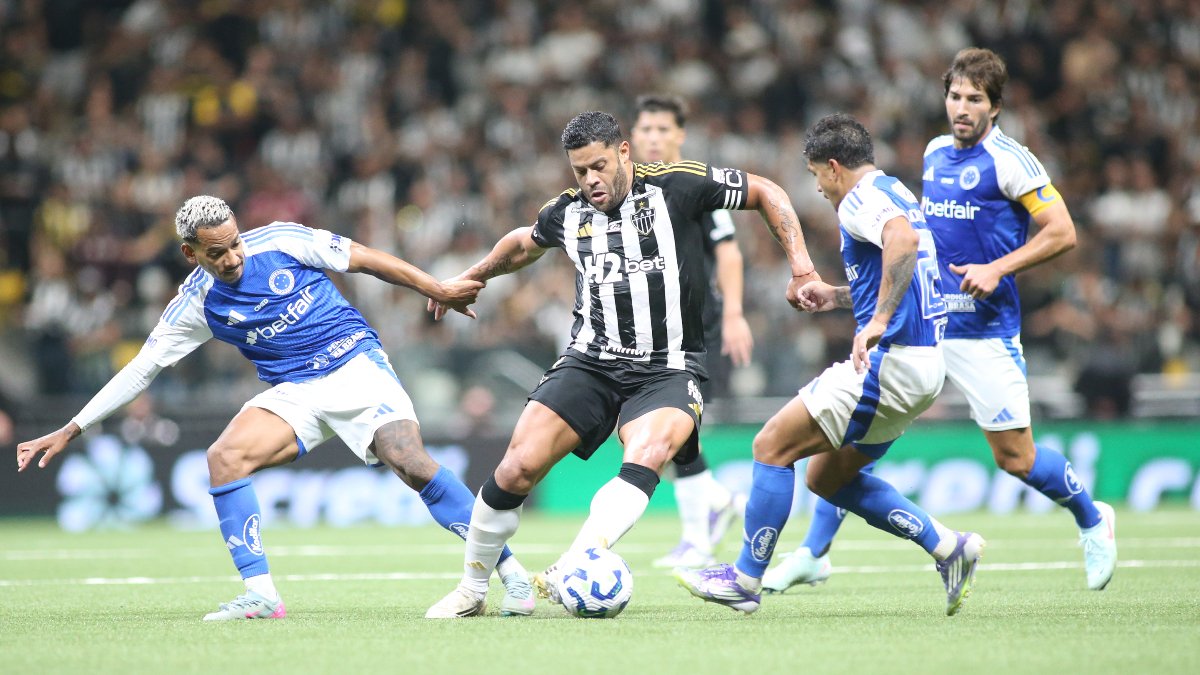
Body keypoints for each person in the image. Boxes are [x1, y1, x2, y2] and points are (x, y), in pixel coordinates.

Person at [16, 195, 536, 620]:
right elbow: (141, 370)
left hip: (352, 361)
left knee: (412, 462)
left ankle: (511, 574)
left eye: (235, 244)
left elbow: (367, 260)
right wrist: (73, 427)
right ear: (189, 252)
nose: (233, 258)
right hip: (295, 390)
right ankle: (261, 595)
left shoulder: (283, 239)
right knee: (224, 458)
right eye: (216, 253)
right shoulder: (196, 303)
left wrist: (437, 287)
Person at [424, 111, 821, 618]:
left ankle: (575, 563)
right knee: (516, 467)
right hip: (590, 361)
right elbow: (526, 242)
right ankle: (472, 589)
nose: (590, 180)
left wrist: (802, 266)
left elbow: (766, 191)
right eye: (579, 171)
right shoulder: (567, 212)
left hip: (669, 366)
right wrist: (473, 277)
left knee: (650, 449)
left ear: (624, 154)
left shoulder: (678, 186)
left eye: (598, 166)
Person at [765, 48, 1117, 594]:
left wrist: (997, 268)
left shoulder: (1011, 161)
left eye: (975, 99)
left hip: (984, 329)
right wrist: (840, 296)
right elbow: (913, 252)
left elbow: (1062, 233)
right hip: (927, 322)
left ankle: (1093, 519)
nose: (962, 107)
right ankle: (813, 552)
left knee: (1016, 458)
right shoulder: (932, 154)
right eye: (955, 96)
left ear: (995, 107)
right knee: (846, 438)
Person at [676, 113, 984, 617]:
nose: (818, 187)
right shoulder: (896, 191)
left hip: (890, 362)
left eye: (818, 175)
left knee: (771, 445)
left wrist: (879, 319)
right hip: (925, 363)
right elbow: (903, 266)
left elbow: (901, 244)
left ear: (835, 167)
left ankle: (745, 579)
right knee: (827, 479)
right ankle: (950, 548)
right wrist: (840, 297)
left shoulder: (861, 200)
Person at [629, 94, 749, 569]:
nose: (654, 138)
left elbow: (729, 251)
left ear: (679, 136)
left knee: (677, 425)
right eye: (646, 130)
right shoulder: (629, 187)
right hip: (651, 328)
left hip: (697, 325)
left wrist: (736, 313)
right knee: (667, 427)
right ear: (632, 138)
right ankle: (714, 505)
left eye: (663, 130)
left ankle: (699, 536)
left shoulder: (695, 184)